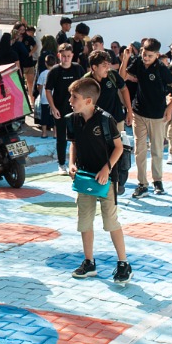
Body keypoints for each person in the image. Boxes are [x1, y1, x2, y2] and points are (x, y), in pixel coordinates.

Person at [65, 77, 131, 286]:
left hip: (105, 178)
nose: (70, 101)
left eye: (74, 97)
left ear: (88, 101)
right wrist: (71, 163)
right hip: (84, 178)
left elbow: (119, 148)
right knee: (84, 221)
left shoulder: (105, 120)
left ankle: (123, 263)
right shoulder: (74, 119)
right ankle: (89, 262)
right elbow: (73, 143)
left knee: (110, 221)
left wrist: (106, 168)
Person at [121, 38, 172, 197]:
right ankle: (142, 184)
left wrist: (170, 108)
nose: (145, 58)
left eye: (149, 55)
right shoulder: (138, 63)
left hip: (157, 116)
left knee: (156, 150)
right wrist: (125, 58)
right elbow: (122, 78)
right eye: (143, 54)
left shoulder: (161, 69)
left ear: (156, 55)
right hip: (139, 113)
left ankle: (158, 181)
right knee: (139, 150)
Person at [86, 50, 133, 194]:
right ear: (94, 67)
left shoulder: (112, 76)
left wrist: (129, 111)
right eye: (104, 65)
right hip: (96, 123)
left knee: (118, 152)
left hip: (116, 120)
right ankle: (100, 181)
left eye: (108, 64)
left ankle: (118, 183)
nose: (108, 68)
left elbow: (124, 89)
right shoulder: (87, 82)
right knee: (99, 152)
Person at [43, 41, 85, 170]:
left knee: (79, 137)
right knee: (61, 138)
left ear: (72, 55)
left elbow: (84, 87)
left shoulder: (78, 68)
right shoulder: (54, 71)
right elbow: (48, 90)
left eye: (68, 56)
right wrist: (53, 107)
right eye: (63, 56)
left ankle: (80, 162)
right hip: (60, 109)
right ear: (58, 56)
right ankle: (61, 163)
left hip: (77, 109)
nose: (66, 58)